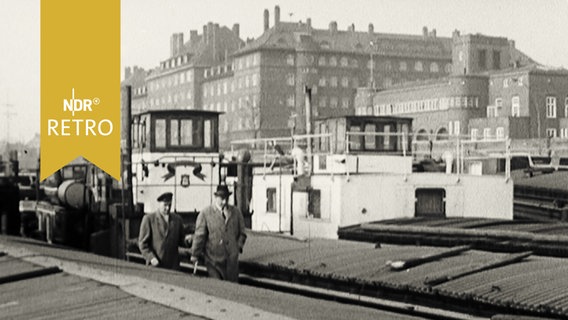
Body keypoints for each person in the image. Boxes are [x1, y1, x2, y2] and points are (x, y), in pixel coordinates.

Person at [191, 185, 247, 282]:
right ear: (216, 197)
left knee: (231, 288)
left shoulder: (236, 212)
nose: (224, 202)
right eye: (222, 199)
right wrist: (195, 254)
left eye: (226, 199)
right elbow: (200, 236)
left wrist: (238, 247)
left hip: (231, 262)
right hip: (213, 261)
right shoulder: (205, 213)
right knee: (217, 286)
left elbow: (242, 233)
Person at [138, 192, 189, 270]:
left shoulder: (177, 220)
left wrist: (188, 240)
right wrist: (151, 258)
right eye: (165, 205)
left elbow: (181, 241)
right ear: (159, 204)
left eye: (169, 205)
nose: (168, 208)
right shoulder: (149, 219)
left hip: (173, 267)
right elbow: (142, 244)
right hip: (155, 266)